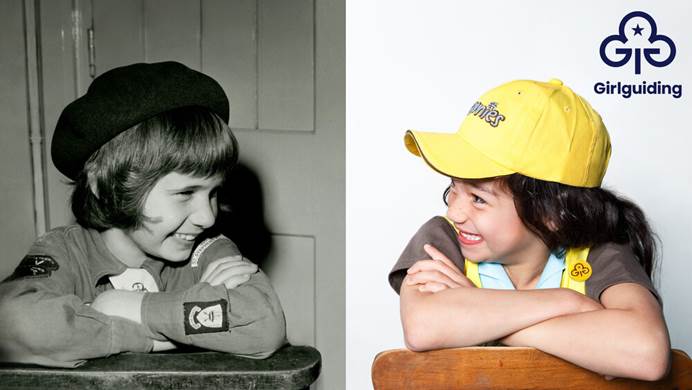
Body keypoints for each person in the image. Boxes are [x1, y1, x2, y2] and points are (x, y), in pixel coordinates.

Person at [0, 61, 286, 367]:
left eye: (213, 193)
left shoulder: (207, 249)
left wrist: (133, 307)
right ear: (106, 185)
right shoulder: (65, 251)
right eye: (185, 193)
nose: (208, 217)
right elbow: (11, 324)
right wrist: (148, 339)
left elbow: (263, 323)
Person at [389, 79, 671, 381]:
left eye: (479, 199)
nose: (454, 212)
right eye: (453, 188)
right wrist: (567, 302)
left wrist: (479, 310)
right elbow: (423, 327)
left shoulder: (599, 255)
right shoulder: (442, 240)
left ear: (552, 214)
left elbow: (646, 353)